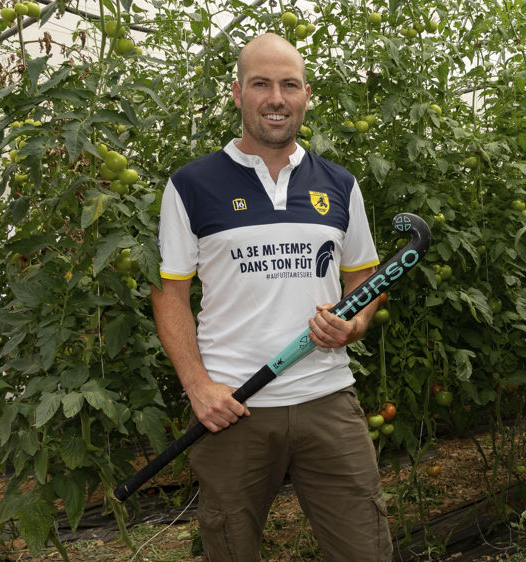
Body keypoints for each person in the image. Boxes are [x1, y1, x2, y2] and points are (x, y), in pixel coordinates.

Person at [152, 33, 391, 561]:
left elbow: (364, 276)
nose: (276, 98)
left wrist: (353, 323)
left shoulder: (340, 184)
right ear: (237, 93)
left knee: (366, 550)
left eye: (289, 85)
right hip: (232, 408)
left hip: (328, 398)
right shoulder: (191, 185)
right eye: (261, 83)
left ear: (307, 95)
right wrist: (197, 387)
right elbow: (170, 296)